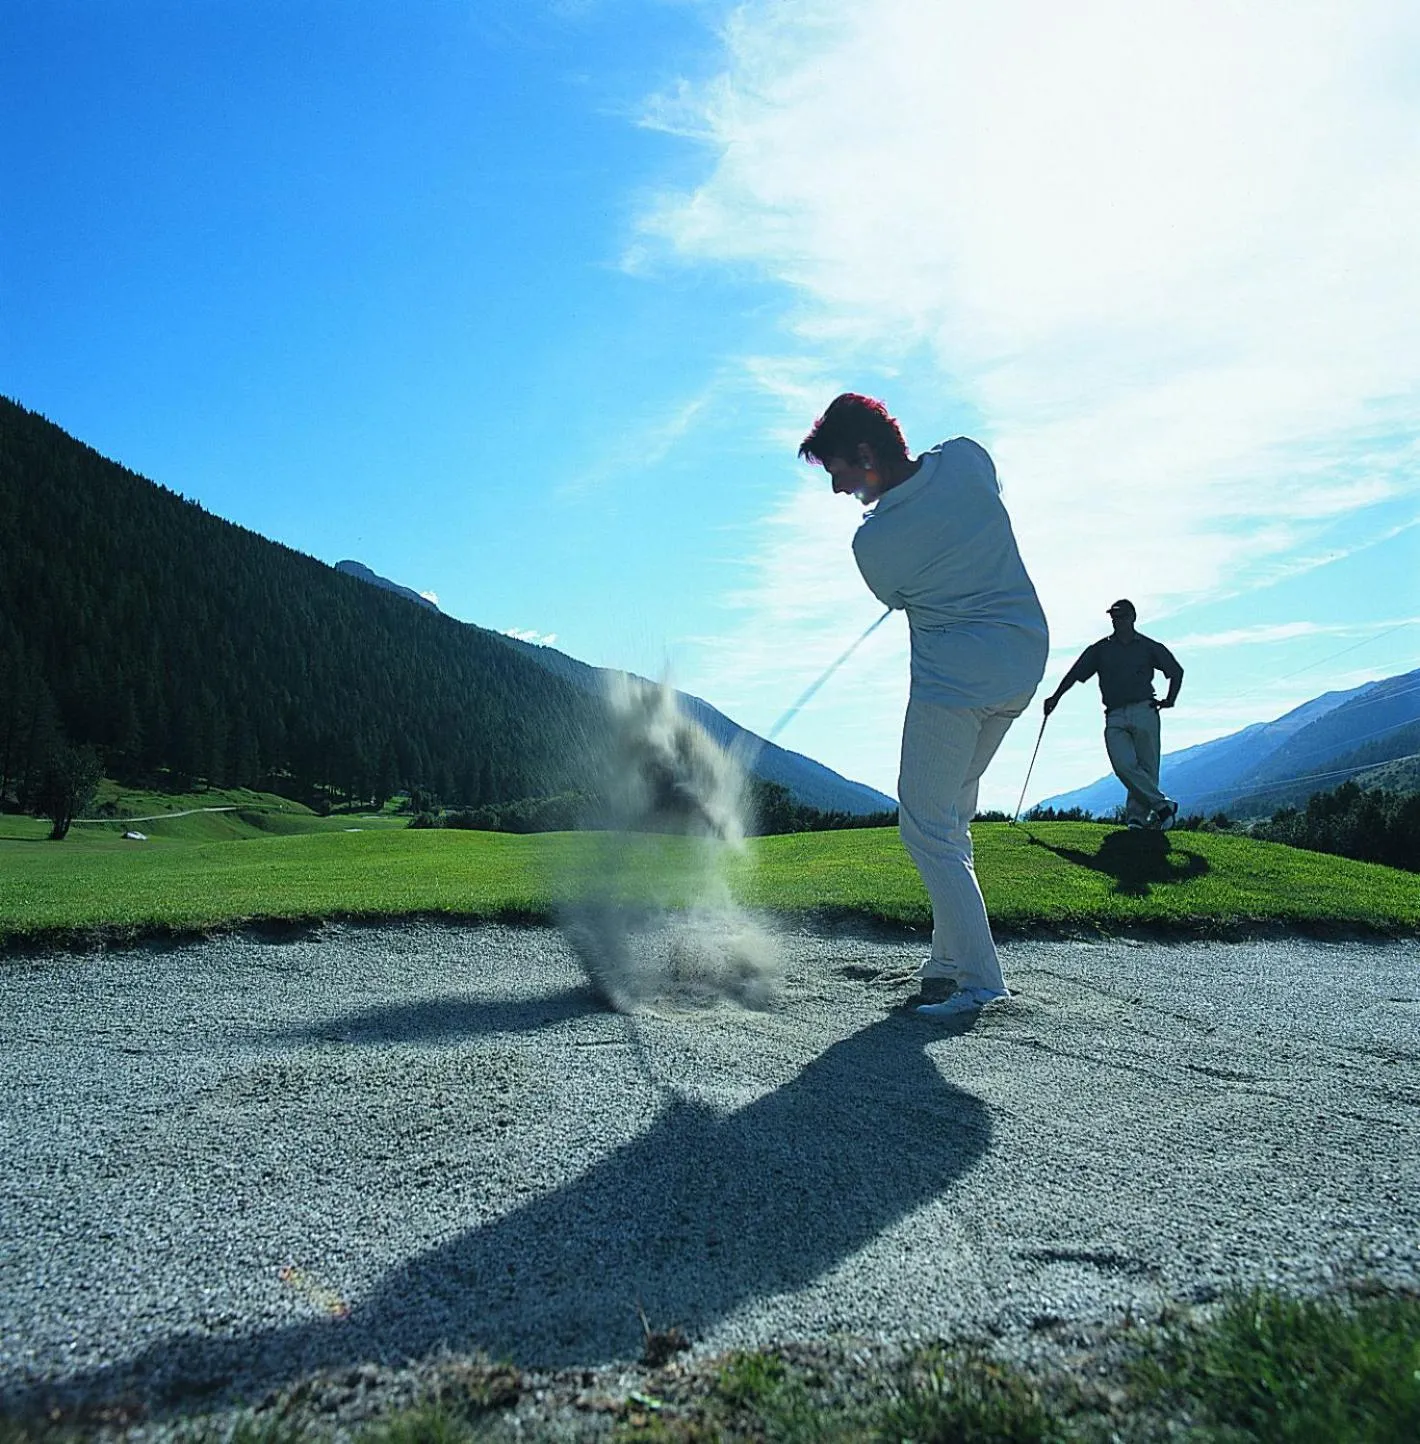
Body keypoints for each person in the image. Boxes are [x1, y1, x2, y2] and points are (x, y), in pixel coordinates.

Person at [799, 393, 1049, 1018]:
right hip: (1022, 663)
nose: (837, 488)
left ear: (865, 453)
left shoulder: (873, 541)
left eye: (839, 471)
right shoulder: (966, 457)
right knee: (952, 813)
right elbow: (985, 490)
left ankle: (982, 982)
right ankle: (946, 956)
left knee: (925, 828)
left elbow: (897, 594)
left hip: (954, 682)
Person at [1041, 599, 1184, 830]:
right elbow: (1074, 674)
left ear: (1133, 617)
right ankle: (1163, 806)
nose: (1117, 621)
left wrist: (1170, 700)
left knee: (1147, 767)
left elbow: (1176, 672)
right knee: (1123, 765)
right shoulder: (1101, 650)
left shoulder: (1148, 646)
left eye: (1122, 616)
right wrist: (1055, 697)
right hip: (1114, 714)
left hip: (1145, 709)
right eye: (1114, 617)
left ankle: (1137, 819)